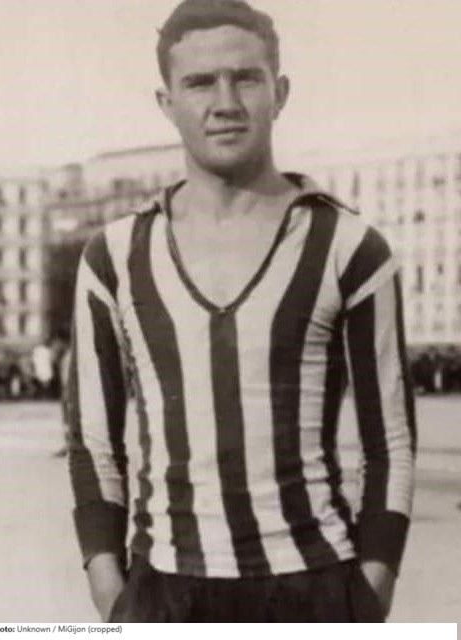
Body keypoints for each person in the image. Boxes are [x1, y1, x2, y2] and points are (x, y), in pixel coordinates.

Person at [67, 0, 416, 623]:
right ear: (167, 102)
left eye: (246, 78)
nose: (225, 102)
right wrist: (109, 590)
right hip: (164, 591)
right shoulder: (114, 255)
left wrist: (371, 591)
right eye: (200, 82)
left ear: (279, 93)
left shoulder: (349, 246)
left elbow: (389, 438)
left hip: (314, 588)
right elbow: (93, 439)